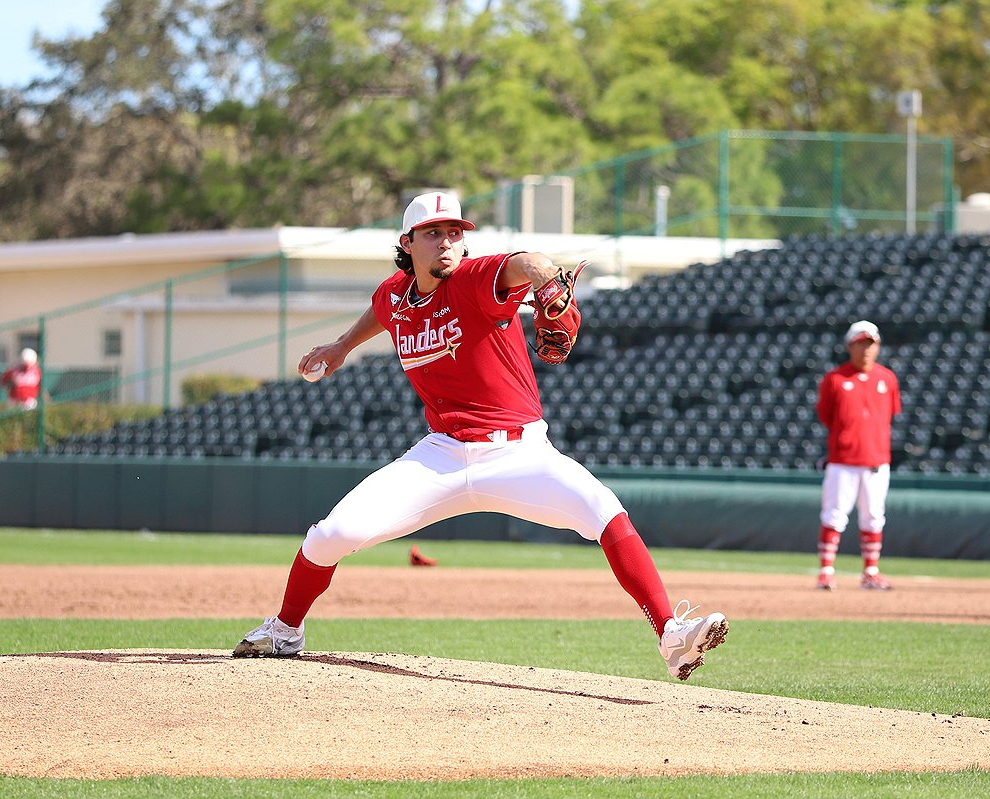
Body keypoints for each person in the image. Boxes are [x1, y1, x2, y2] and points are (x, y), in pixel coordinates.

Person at [232, 191, 728, 680]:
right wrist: (341, 346)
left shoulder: (473, 279)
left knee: (605, 512)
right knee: (330, 535)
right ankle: (285, 630)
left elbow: (527, 261)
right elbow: (383, 311)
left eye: (455, 232)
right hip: (442, 455)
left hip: (519, 453)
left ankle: (671, 634)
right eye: (433, 233)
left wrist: (546, 279)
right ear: (407, 243)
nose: (447, 241)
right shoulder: (394, 296)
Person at [814, 320, 902, 591]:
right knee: (834, 515)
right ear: (849, 346)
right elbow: (826, 416)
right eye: (860, 344)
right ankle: (826, 572)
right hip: (843, 460)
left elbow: (891, 414)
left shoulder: (887, 379)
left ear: (877, 347)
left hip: (876, 460)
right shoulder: (835, 379)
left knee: (874, 516)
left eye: (870, 344)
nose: (865, 349)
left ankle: (870, 572)